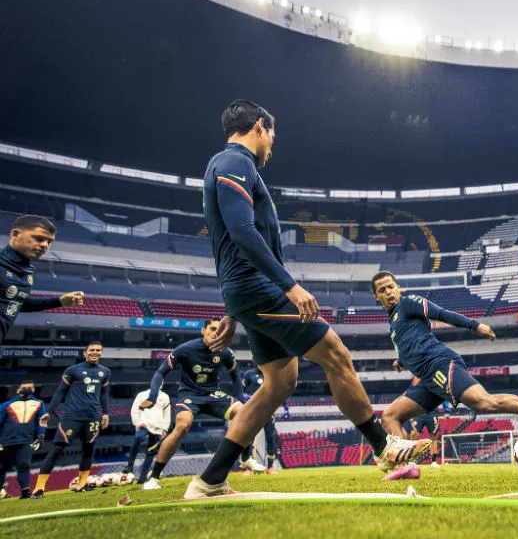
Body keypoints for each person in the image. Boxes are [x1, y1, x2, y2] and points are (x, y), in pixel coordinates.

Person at [188, 100, 428, 498]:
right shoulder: (235, 162)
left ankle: (210, 479)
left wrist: (233, 310)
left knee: (280, 382)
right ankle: (383, 446)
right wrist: (290, 286)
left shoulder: (228, 165)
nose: (273, 146)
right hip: (257, 286)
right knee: (335, 353)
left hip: (246, 290)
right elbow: (243, 232)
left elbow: (229, 242)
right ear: (260, 126)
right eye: (273, 136)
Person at [375, 271, 518, 471]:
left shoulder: (408, 303)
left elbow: (440, 314)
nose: (388, 292)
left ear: (398, 288)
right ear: (377, 296)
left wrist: (475, 326)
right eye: (382, 290)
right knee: (390, 416)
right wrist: (401, 362)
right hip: (427, 379)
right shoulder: (392, 324)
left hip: (440, 364)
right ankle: (404, 467)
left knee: (485, 403)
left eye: (391, 287)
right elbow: (411, 342)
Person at [141, 318, 257, 490]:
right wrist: (152, 395)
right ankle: (154, 477)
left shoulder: (224, 351)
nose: (215, 333)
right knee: (182, 425)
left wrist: (239, 399)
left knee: (246, 413)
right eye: (212, 329)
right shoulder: (185, 349)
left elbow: (236, 376)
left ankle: (246, 458)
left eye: (219, 330)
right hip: (189, 395)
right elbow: (161, 372)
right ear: (203, 331)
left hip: (213, 394)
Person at [32, 342, 110, 498]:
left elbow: (103, 394)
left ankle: (81, 485)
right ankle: (39, 488)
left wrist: (105, 413)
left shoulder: (105, 372)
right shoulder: (73, 371)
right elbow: (60, 392)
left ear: (102, 353)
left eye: (98, 350)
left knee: (89, 450)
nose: (95, 352)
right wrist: (49, 411)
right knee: (56, 450)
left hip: (93, 417)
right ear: (85, 353)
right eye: (92, 350)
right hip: (72, 416)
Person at [1, 215, 84, 347]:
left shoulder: (29, 271)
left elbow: (16, 302)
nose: (45, 245)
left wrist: (58, 302)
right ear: (14, 234)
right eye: (38, 239)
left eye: (49, 242)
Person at [240, 359, 288, 474]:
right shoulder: (249, 374)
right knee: (249, 439)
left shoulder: (271, 374)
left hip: (268, 411)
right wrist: (244, 396)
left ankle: (270, 468)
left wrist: (285, 405)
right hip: (253, 411)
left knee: (270, 439)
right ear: (253, 360)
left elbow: (279, 390)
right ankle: (247, 468)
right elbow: (240, 391)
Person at [0, 381, 46, 499]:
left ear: (34, 389)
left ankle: (25, 492)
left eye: (30, 387)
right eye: (24, 387)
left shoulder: (39, 404)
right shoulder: (6, 405)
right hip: (5, 442)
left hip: (26, 441)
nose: (27, 389)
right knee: (1, 468)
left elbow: (41, 421)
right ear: (17, 389)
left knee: (24, 465)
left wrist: (41, 437)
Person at [124, 381, 171, 484]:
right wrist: (138, 422)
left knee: (151, 453)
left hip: (157, 428)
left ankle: (142, 478)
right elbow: (135, 409)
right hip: (144, 425)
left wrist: (165, 429)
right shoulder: (142, 395)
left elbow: (167, 414)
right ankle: (129, 465)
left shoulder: (165, 397)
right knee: (138, 439)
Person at [403, 383, 451, 468]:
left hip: (432, 413)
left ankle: (434, 461)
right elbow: (409, 394)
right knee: (414, 434)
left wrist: (446, 411)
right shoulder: (417, 380)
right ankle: (411, 460)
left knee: (433, 437)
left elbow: (443, 395)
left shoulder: (435, 380)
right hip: (418, 412)